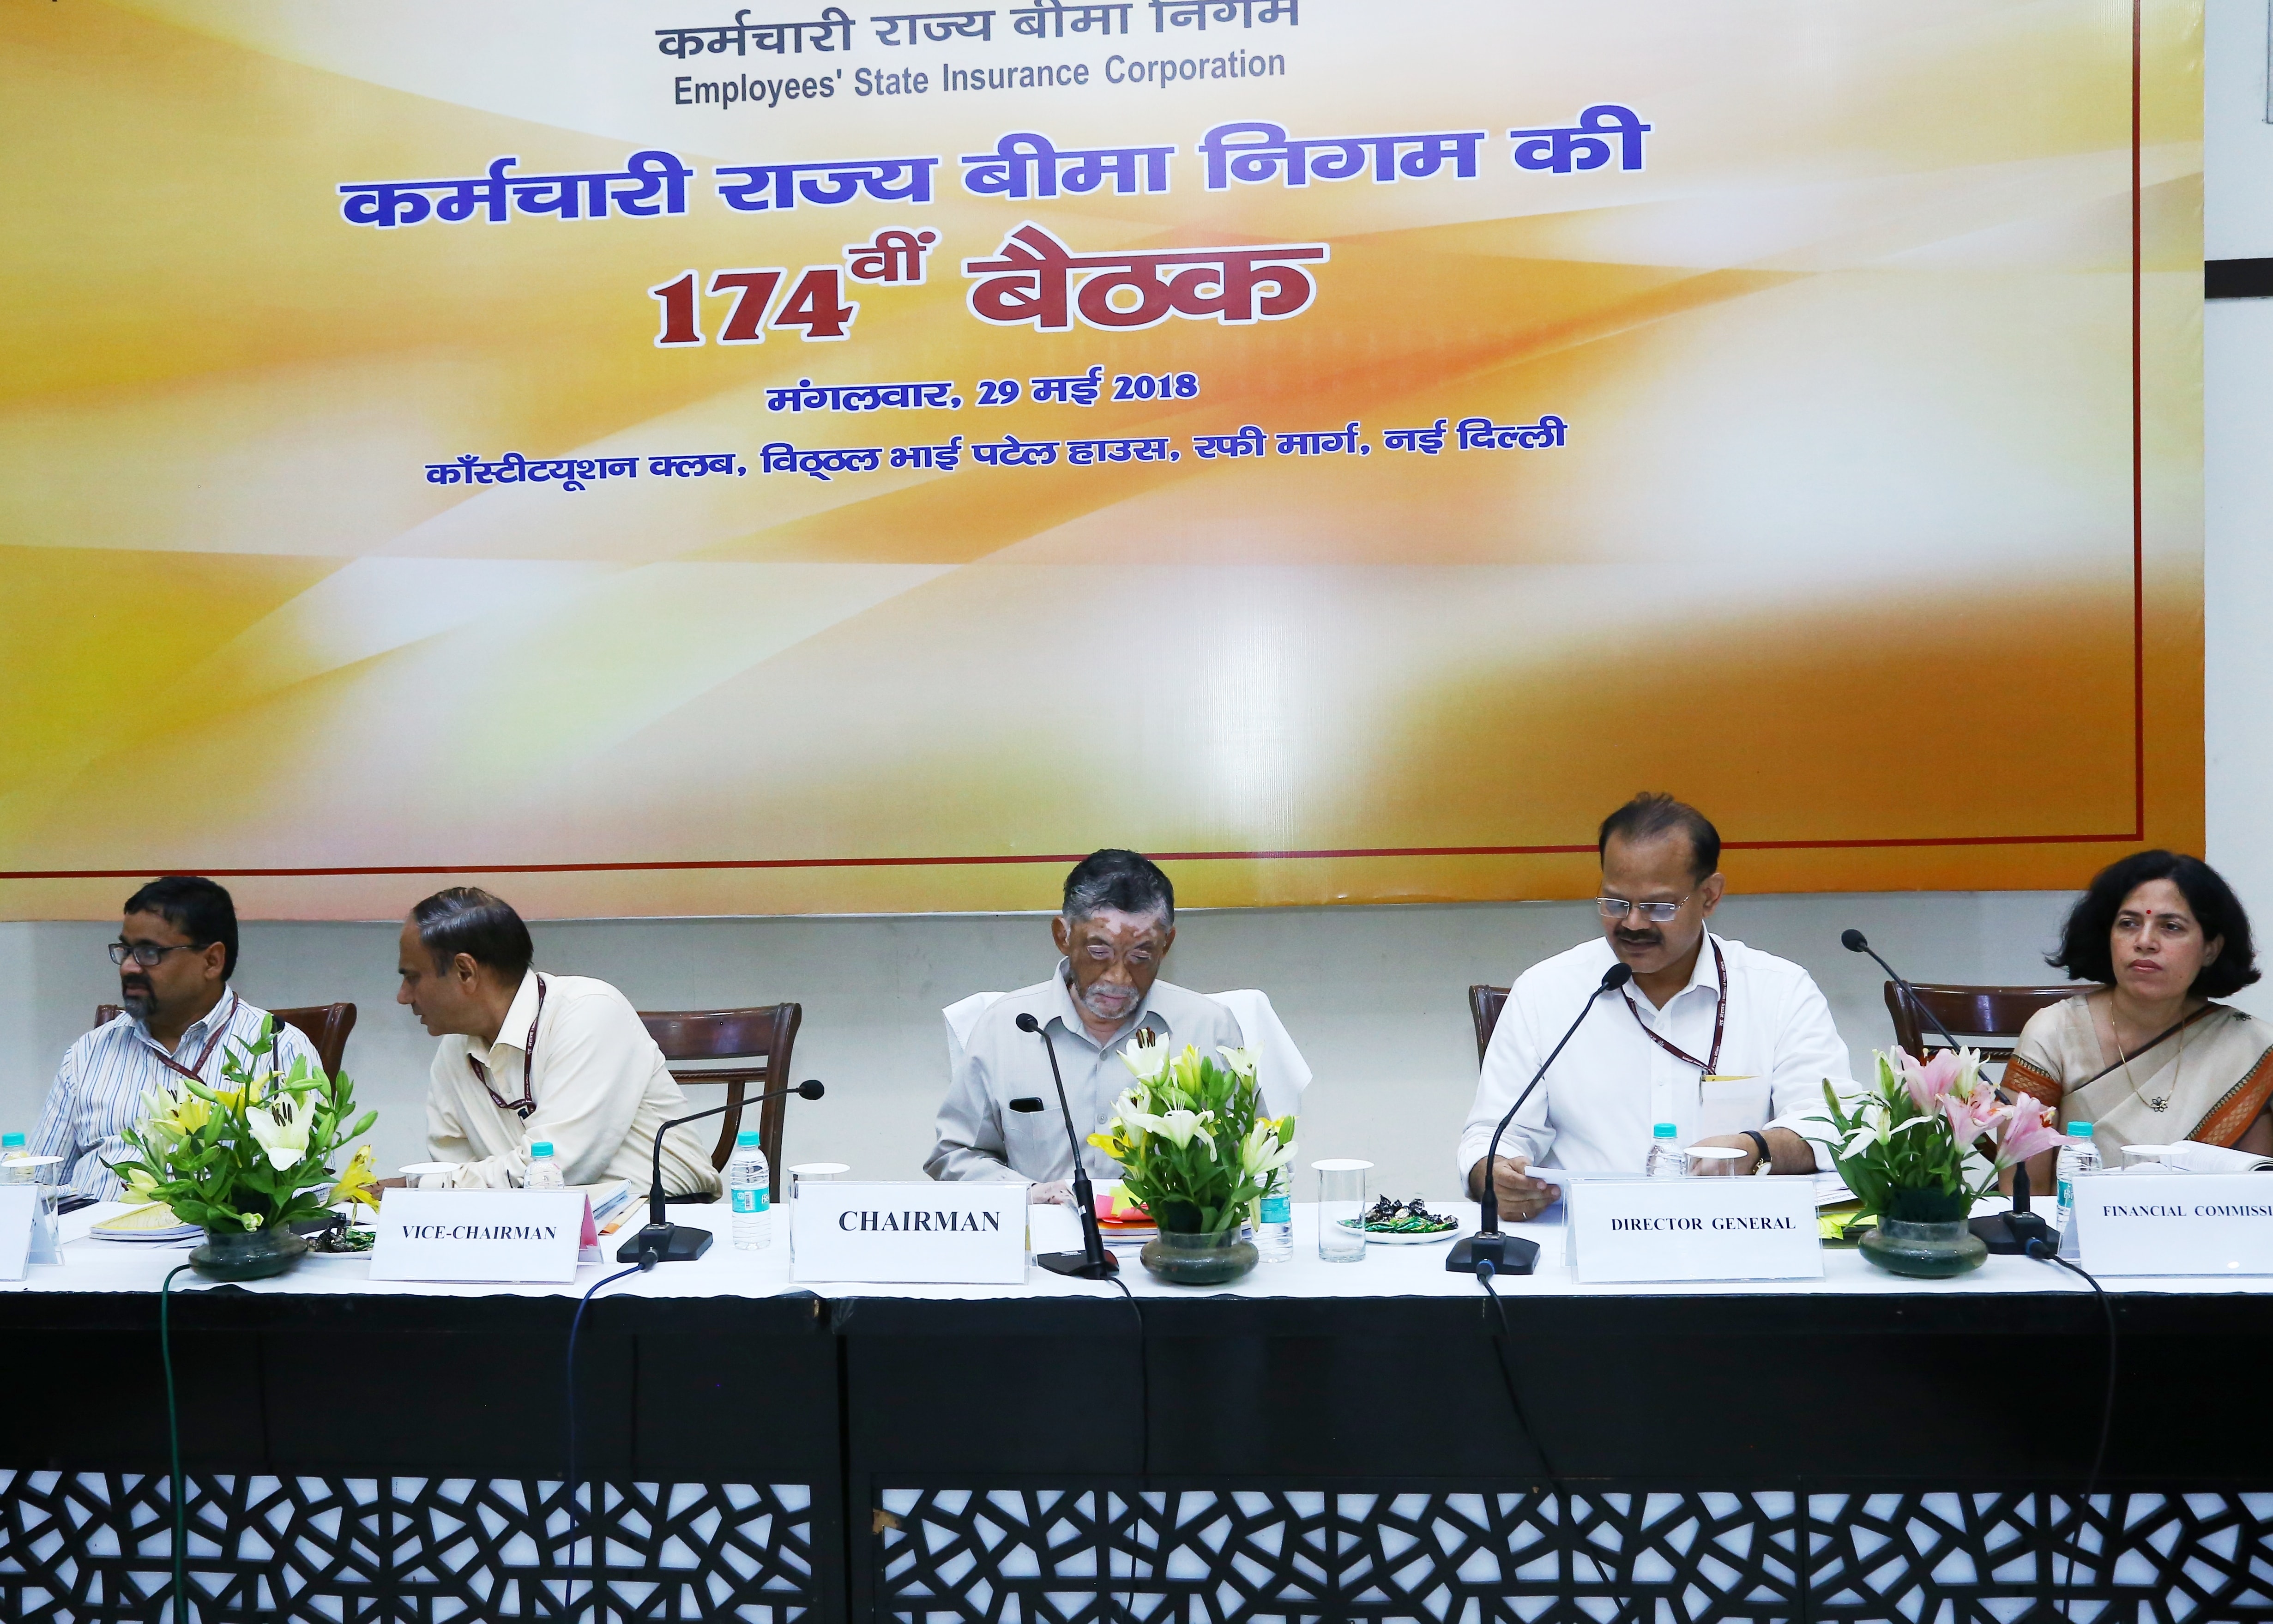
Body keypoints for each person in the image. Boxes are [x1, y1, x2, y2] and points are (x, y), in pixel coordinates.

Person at [1459, 793, 1851, 1220]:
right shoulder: (1546, 991)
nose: (1633, 923)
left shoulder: (1778, 990)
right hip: (1582, 1237)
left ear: (1709, 896)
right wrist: (1494, 1175)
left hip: (1733, 1232)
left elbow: (1834, 1127)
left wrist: (1757, 1148)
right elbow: (1493, 1135)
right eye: (1615, 903)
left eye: (1658, 907)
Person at [927, 849, 1245, 1203]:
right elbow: (955, 1155)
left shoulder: (1208, 1028)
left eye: (1141, 956)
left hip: (1167, 1235)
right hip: (1044, 1231)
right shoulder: (1005, 1027)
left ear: (1166, 944)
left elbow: (1249, 1160)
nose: (1118, 978)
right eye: (1099, 952)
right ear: (1062, 936)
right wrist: (1027, 1194)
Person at [396, 887, 719, 1195]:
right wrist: (435, 1188)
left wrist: (419, 1187)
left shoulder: (589, 1009)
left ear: (465, 971)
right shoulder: (454, 1050)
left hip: (661, 1214)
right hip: (527, 1223)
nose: (403, 996)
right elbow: (453, 1175)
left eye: (412, 977)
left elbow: (558, 1169)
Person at [33, 876, 327, 1201]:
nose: (128, 967)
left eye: (149, 952)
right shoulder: (89, 1053)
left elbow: (310, 1192)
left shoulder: (278, 1048)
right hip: (87, 1230)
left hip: (216, 1233)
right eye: (126, 950)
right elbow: (34, 1183)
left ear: (212, 961)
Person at [2002, 850, 2270, 1182]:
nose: (2144, 942)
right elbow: (2023, 1194)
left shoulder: (2250, 1047)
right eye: (2128, 924)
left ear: (2210, 949)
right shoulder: (2055, 1033)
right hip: (2074, 1216)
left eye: (2171, 927)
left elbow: (2257, 1194)